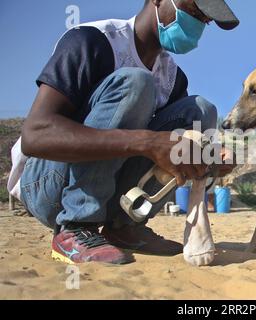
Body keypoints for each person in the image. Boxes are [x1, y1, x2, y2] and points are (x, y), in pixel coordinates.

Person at [7, 0, 239, 265]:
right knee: (136, 83)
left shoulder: (172, 76)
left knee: (200, 111)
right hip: (47, 187)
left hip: (113, 195)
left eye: (205, 20)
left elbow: (176, 146)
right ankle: (77, 227)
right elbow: (36, 135)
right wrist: (146, 142)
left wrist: (208, 156)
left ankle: (125, 226)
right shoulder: (93, 41)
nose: (198, 25)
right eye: (194, 12)